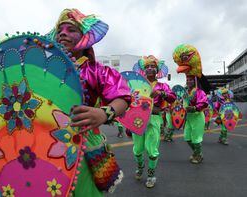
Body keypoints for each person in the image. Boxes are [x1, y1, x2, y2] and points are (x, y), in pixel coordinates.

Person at [47, 8, 131, 196]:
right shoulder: (45, 71)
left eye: (71, 30)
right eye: (60, 30)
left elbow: (123, 96)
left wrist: (103, 113)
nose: (63, 33)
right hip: (45, 140)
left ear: (85, 39)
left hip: (82, 141)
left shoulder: (96, 71)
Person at [131, 55, 176, 188]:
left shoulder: (163, 86)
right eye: (147, 67)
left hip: (154, 119)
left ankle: (151, 175)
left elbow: (172, 98)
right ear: (144, 70)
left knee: (152, 150)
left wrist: (161, 94)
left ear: (157, 70)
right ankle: (140, 167)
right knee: (137, 149)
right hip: (137, 119)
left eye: (152, 67)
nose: (150, 69)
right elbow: (130, 99)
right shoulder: (138, 84)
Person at [173, 44, 209, 164]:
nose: (188, 81)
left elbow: (203, 103)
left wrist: (193, 108)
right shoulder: (185, 92)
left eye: (190, 80)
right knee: (187, 138)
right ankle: (197, 153)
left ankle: (198, 155)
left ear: (195, 81)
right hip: (188, 118)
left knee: (196, 139)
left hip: (198, 118)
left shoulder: (199, 91)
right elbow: (180, 103)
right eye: (187, 80)